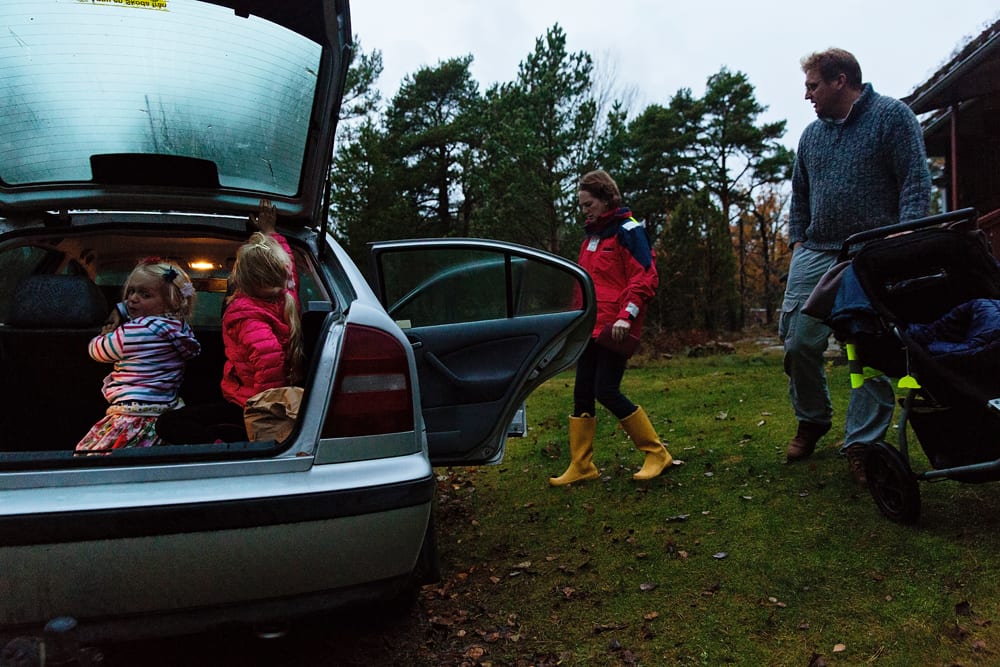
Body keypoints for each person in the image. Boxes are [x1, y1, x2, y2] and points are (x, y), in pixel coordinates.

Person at [780, 48, 931, 482]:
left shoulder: (892, 117)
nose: (806, 94)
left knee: (873, 346)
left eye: (812, 85)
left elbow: (915, 181)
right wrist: (797, 240)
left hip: (874, 251)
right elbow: (800, 194)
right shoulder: (811, 135)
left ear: (839, 81)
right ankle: (813, 417)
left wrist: (906, 237)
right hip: (817, 250)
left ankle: (863, 444)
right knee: (797, 342)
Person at [550, 170, 672, 486]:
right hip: (589, 326)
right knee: (582, 393)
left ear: (605, 199)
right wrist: (573, 318)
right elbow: (584, 284)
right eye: (581, 205)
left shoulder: (629, 232)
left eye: (588, 204)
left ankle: (656, 452)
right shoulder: (591, 237)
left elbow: (645, 277)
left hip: (615, 329)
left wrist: (626, 316)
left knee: (605, 389)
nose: (584, 210)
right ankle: (582, 465)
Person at [156, 200, 303, 443]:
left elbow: (270, 364)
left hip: (249, 406)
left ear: (239, 279)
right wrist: (271, 233)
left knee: (169, 423)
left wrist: (264, 413)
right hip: (249, 396)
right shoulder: (286, 299)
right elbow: (290, 270)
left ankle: (220, 448)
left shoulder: (246, 316)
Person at [75, 259, 200, 451]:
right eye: (131, 291)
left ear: (171, 301)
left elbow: (97, 351)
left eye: (145, 294)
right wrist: (121, 308)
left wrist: (105, 335)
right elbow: (143, 308)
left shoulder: (134, 331)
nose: (133, 299)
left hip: (130, 413)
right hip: (166, 411)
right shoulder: (181, 329)